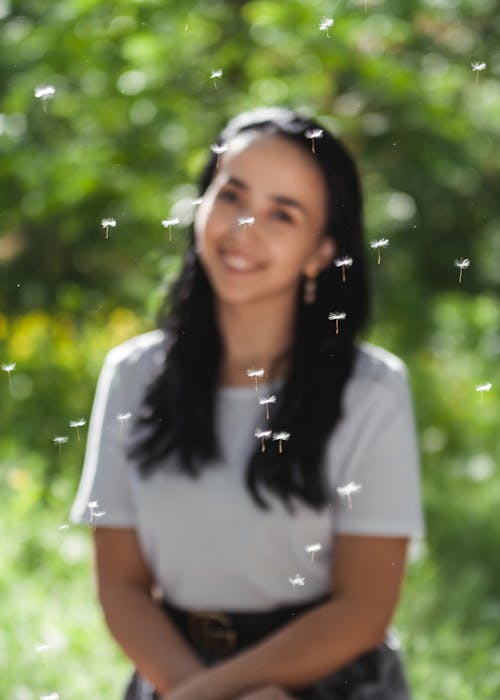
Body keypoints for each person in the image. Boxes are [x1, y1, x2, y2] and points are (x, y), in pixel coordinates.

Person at [71, 107, 424, 700]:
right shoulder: (133, 375)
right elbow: (122, 587)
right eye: (231, 195)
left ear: (321, 251)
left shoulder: (372, 391)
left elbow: (365, 607)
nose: (243, 227)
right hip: (174, 673)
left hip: (328, 680)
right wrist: (197, 693)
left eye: (283, 214)